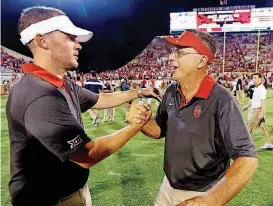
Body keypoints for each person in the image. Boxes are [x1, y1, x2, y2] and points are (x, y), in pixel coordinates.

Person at [6, 6, 160, 206]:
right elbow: (87, 155)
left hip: (70, 192)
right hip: (49, 200)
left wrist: (140, 92)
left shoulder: (61, 82)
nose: (77, 45)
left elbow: (100, 100)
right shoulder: (39, 95)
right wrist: (136, 125)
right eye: (70, 37)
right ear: (42, 41)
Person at [133, 30, 258, 206]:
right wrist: (143, 121)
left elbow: (247, 158)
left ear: (201, 61)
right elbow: (160, 129)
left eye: (180, 52)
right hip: (168, 186)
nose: (171, 58)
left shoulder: (222, 99)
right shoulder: (171, 91)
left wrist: (208, 201)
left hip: (202, 192)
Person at [248, 73, 273, 149]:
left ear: (260, 79)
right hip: (257, 109)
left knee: (249, 126)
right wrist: (248, 106)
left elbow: (263, 101)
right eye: (253, 78)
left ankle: (245, 145)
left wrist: (261, 112)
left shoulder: (261, 88)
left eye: (255, 77)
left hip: (258, 110)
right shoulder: (257, 88)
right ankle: (268, 143)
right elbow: (255, 100)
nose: (253, 79)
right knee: (264, 127)